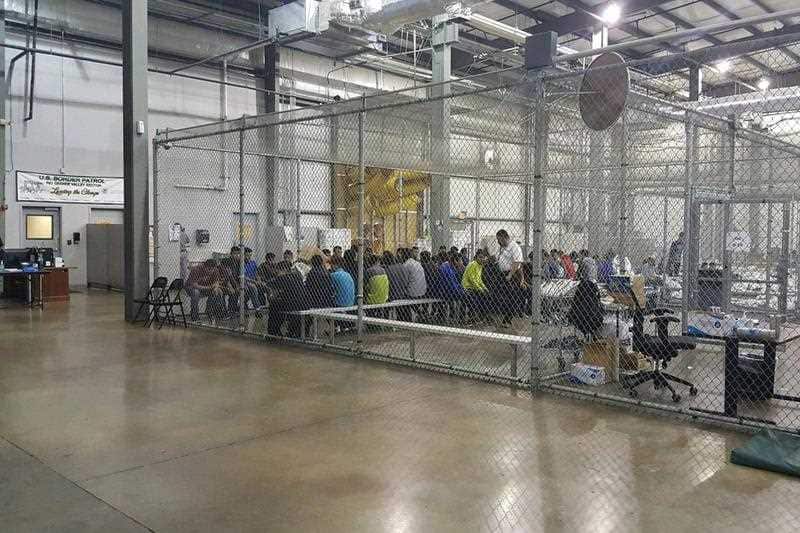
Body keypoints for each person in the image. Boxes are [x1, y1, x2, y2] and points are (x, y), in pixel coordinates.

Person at [266, 262, 309, 338]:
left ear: (284, 270)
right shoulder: (297, 277)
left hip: (293, 304)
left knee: (274, 305)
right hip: (304, 303)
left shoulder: (283, 277)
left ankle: (272, 332)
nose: (276, 272)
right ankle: (280, 330)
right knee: (278, 304)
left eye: (278, 270)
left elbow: (269, 284)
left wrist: (273, 296)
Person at [495, 229, 524, 328]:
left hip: (511, 275)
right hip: (503, 274)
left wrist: (511, 275)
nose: (498, 242)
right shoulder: (503, 247)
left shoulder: (514, 247)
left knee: (512, 298)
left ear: (504, 237)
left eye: (499, 239)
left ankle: (507, 320)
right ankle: (506, 319)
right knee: (503, 297)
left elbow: (517, 263)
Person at [462, 249, 489, 322]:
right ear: (476, 257)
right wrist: (480, 289)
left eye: (482, 257)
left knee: (486, 296)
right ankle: (473, 317)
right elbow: (472, 279)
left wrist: (484, 288)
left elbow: (479, 279)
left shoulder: (480, 266)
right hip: (467, 287)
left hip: (475, 287)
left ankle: (482, 316)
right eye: (480, 257)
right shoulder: (473, 264)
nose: (481, 259)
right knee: (475, 300)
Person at [439, 252, 466, 322]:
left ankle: (455, 316)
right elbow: (451, 285)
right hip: (446, 291)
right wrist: (461, 290)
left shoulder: (449, 266)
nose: (461, 262)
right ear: (455, 261)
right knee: (465, 296)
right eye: (460, 260)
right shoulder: (447, 268)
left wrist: (461, 288)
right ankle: (458, 317)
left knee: (463, 294)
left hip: (448, 289)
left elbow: (454, 282)